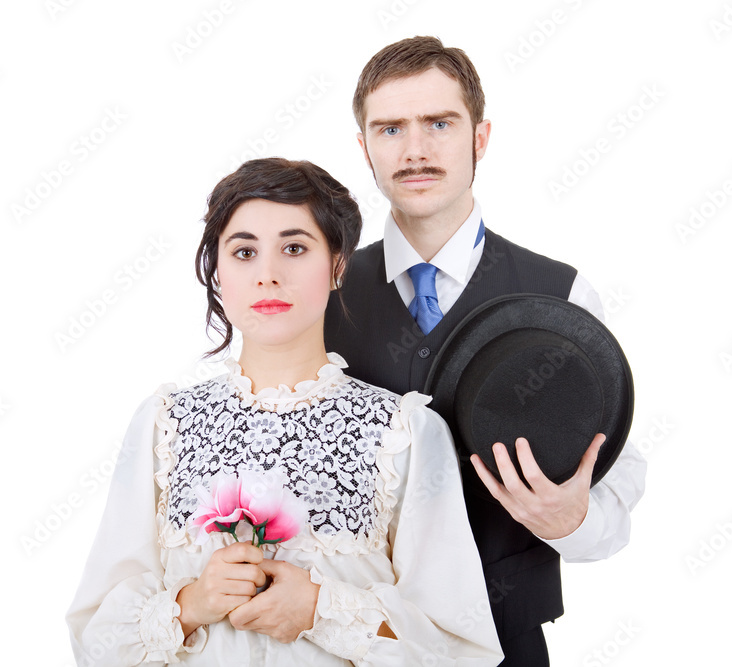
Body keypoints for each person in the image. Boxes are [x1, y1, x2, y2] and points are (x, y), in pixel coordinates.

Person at [66, 157, 503, 666]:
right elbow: (95, 641)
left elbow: (459, 649)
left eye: (294, 248)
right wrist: (190, 605)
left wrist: (321, 609)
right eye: (244, 252)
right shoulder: (165, 425)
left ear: (338, 265)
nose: (268, 276)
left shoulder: (403, 433)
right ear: (217, 271)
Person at [324, 37, 648, 666]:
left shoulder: (561, 297)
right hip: (348, 647)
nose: (415, 150)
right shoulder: (319, 297)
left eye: (439, 124)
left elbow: (616, 480)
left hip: (507, 644)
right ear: (364, 148)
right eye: (390, 129)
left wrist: (570, 520)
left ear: (480, 137)